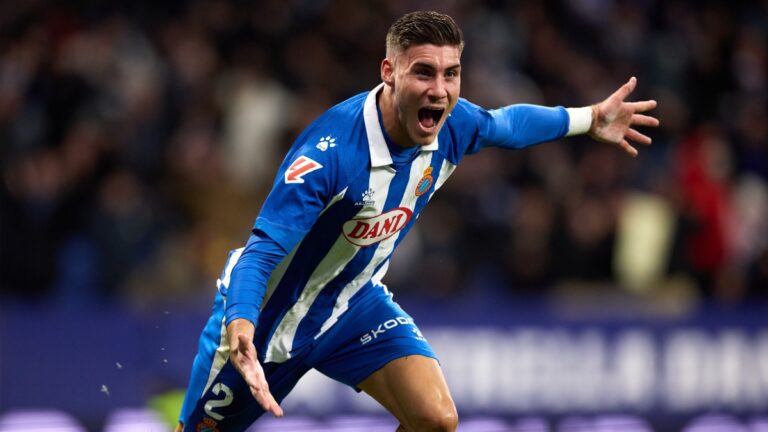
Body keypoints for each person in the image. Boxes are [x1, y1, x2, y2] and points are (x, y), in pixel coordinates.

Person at [177, 10, 658, 432]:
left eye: (452, 74)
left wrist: (589, 117)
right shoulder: (331, 156)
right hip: (265, 321)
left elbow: (507, 125)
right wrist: (241, 324)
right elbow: (261, 250)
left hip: (351, 305)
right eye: (424, 73)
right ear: (389, 71)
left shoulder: (452, 125)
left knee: (435, 419)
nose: (440, 90)